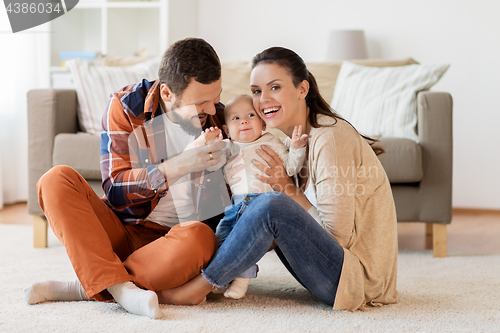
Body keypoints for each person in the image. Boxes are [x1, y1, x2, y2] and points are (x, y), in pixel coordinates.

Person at [155, 46, 399, 311]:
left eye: (275, 87)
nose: (263, 100)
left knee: (271, 204)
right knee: (254, 203)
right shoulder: (288, 143)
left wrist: (285, 189)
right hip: (330, 271)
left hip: (356, 280)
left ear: (302, 90)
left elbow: (337, 237)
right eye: (257, 91)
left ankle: (200, 287)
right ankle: (210, 275)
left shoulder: (329, 137)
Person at [24, 38, 232, 319]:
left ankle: (88, 285)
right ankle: (123, 288)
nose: (212, 109)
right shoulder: (126, 106)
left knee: (201, 237)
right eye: (201, 102)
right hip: (122, 230)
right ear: (168, 93)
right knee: (55, 179)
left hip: (175, 244)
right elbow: (115, 191)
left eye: (216, 97)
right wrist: (179, 165)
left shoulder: (220, 118)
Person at [196, 94, 308, 299]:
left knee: (249, 242)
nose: (244, 121)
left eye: (250, 115)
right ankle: (220, 275)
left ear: (263, 123)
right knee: (222, 238)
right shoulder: (229, 147)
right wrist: (209, 144)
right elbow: (211, 165)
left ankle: (241, 280)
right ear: (227, 130)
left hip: (262, 205)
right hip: (235, 205)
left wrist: (297, 148)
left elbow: (291, 167)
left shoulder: (272, 142)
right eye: (236, 118)